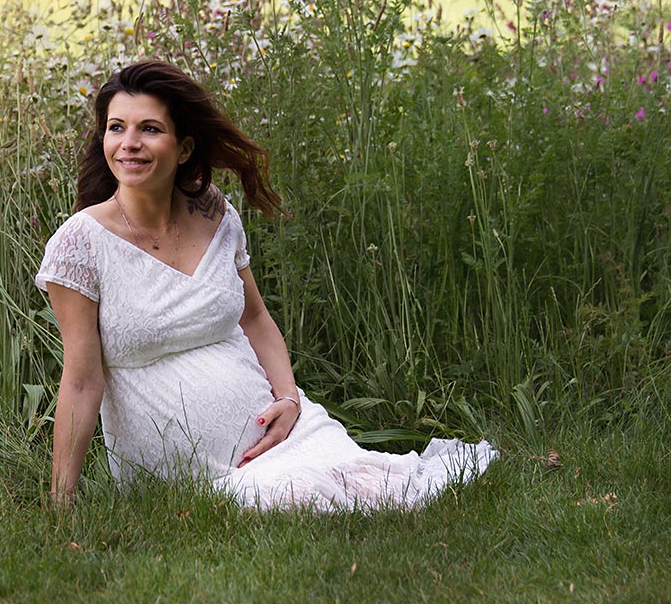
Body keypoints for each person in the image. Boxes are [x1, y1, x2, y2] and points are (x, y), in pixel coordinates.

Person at [35, 60, 497, 511]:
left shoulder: (212, 212)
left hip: (274, 423)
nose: (128, 144)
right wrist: (62, 500)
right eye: (117, 128)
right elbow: (80, 381)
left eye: (150, 129)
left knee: (372, 483)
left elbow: (255, 318)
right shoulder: (81, 243)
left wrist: (289, 399)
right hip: (179, 464)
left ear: (185, 147)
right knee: (308, 495)